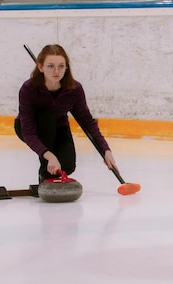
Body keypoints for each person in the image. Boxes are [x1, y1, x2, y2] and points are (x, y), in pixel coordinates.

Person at [14, 44, 118, 187]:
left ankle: (51, 170)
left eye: (61, 66)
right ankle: (44, 176)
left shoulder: (74, 89)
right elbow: (28, 131)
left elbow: (88, 122)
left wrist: (106, 150)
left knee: (67, 166)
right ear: (40, 67)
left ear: (66, 67)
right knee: (47, 118)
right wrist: (49, 155)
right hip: (29, 128)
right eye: (50, 66)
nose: (56, 71)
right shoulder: (28, 89)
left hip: (58, 126)